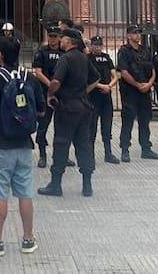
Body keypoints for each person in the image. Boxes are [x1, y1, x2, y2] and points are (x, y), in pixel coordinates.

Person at [0, 42, 43, 258]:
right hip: (24, 143)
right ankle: (28, 239)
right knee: (25, 193)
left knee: (1, 194)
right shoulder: (29, 77)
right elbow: (40, 110)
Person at [38, 28, 98, 198]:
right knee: (84, 144)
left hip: (67, 108)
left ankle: (55, 184)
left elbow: (56, 81)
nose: (60, 40)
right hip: (83, 106)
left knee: (61, 144)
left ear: (69, 41)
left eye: (63, 38)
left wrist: (50, 94)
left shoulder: (66, 58)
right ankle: (87, 185)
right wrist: (83, 92)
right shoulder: (83, 58)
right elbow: (96, 78)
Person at [117, 25, 158, 161]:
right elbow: (124, 72)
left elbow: (152, 70)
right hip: (130, 91)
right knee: (128, 120)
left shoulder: (145, 50)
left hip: (145, 90)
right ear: (128, 35)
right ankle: (125, 149)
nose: (138, 35)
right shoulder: (124, 51)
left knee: (145, 120)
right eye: (135, 33)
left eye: (139, 33)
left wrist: (149, 83)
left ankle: (146, 148)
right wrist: (137, 85)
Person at [30, 25, 62, 169]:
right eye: (50, 36)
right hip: (45, 92)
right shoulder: (42, 51)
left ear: (59, 37)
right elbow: (38, 71)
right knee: (43, 125)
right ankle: (42, 156)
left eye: (55, 36)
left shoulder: (64, 52)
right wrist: (50, 85)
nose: (52, 39)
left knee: (62, 127)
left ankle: (61, 155)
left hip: (62, 93)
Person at [85, 36, 119, 165]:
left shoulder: (106, 57)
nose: (98, 47)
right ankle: (90, 155)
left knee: (107, 126)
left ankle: (108, 153)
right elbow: (86, 78)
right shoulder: (87, 59)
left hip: (106, 97)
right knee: (91, 127)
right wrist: (101, 86)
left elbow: (114, 75)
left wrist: (109, 86)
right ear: (91, 46)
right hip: (93, 96)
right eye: (95, 45)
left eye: (99, 45)